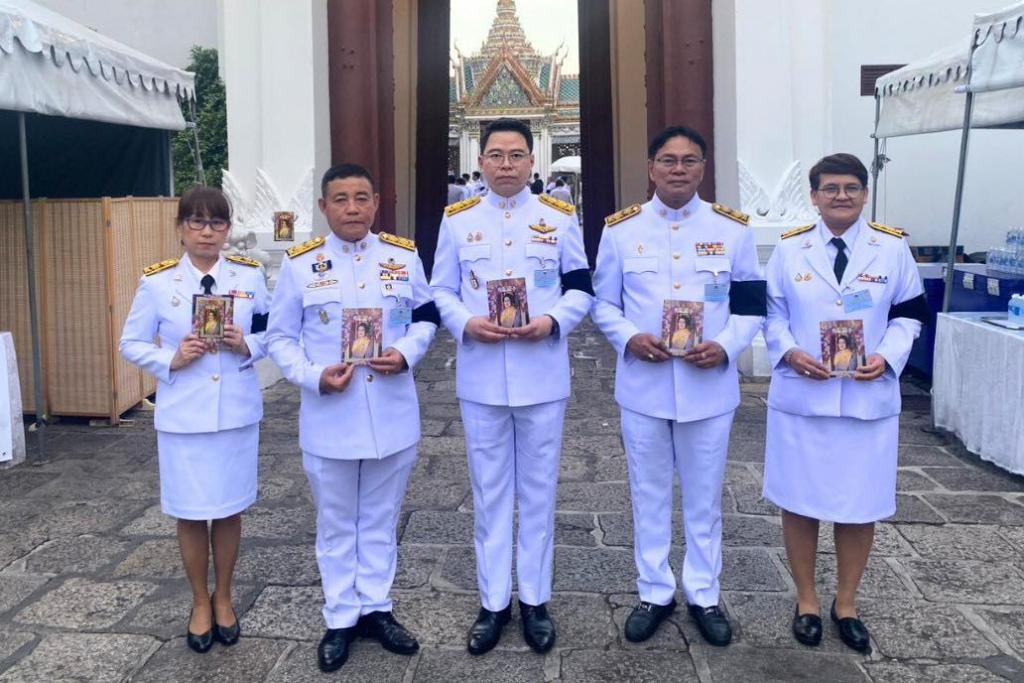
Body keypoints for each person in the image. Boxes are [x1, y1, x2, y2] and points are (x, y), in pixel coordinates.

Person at [592, 125, 766, 648]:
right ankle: (654, 591)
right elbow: (603, 302)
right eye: (667, 160)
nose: (678, 169)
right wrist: (629, 338)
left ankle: (704, 594)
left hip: (708, 384)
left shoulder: (732, 230)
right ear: (650, 168)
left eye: (689, 161)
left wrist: (728, 347)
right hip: (644, 383)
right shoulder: (621, 231)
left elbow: (751, 305)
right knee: (647, 492)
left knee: (704, 496)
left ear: (702, 169)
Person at [431, 118, 594, 655]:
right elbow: (441, 289)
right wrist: (462, 324)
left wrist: (553, 323)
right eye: (496, 155)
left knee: (540, 492)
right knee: (490, 492)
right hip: (481, 375)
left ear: (532, 163)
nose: (506, 164)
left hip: (542, 372)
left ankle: (536, 600)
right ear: (480, 162)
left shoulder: (559, 216)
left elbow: (579, 288)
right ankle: (493, 602)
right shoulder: (457, 220)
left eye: (516, 155)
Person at [267, 163, 439, 672]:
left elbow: (426, 317)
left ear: (376, 202)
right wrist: (313, 375)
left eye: (361, 198)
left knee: (382, 519)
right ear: (324, 207)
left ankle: (378, 608)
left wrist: (406, 353)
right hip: (330, 414)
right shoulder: (301, 265)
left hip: (391, 412)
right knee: (337, 521)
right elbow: (280, 336)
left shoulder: (402, 257)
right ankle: (341, 615)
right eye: (340, 199)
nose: (351, 208)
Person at [762, 153, 927, 653]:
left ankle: (847, 603)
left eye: (851, 187)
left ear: (865, 194)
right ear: (813, 196)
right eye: (830, 188)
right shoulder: (790, 250)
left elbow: (910, 315)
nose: (840, 196)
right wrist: (789, 352)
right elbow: (771, 315)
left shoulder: (892, 248)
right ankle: (807, 601)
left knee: (860, 505)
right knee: (800, 500)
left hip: (865, 397)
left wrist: (887, 356)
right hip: (803, 397)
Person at [120, 185, 270, 654]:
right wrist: (172, 358)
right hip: (184, 414)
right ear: (180, 228)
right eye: (197, 222)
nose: (207, 232)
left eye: (217, 222)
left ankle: (224, 597)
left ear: (228, 230)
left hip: (235, 413)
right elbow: (131, 342)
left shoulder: (250, 275)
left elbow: (274, 332)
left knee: (228, 509)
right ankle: (198, 601)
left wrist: (246, 344)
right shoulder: (158, 283)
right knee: (189, 513)